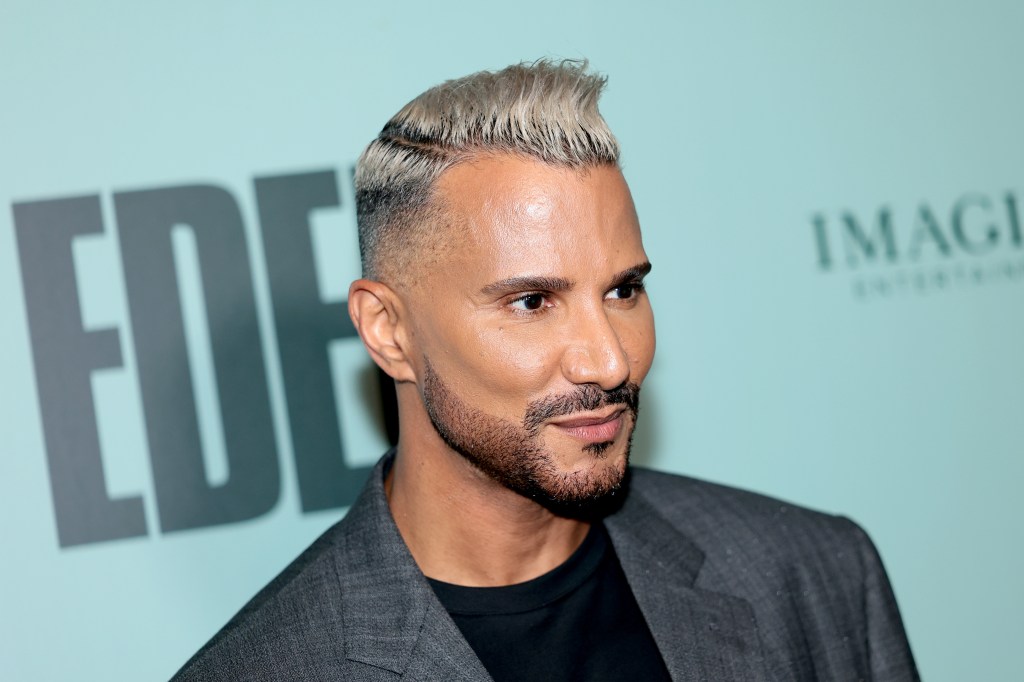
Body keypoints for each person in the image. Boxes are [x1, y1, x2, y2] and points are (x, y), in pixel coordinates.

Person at [173, 60, 918, 681]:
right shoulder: (269, 667)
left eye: (623, 291)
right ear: (388, 331)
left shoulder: (813, 576)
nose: (610, 360)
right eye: (532, 302)